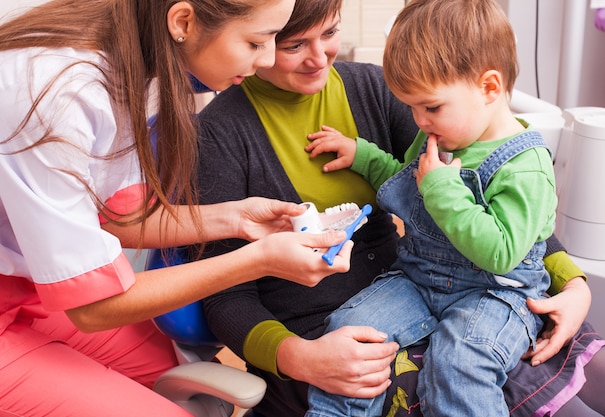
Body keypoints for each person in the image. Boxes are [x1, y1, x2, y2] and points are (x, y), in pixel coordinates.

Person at [193, 0, 605, 416]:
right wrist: (299, 358)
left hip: (460, 280)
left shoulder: (378, 89)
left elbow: (504, 197)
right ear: (262, 41)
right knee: (476, 377)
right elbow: (224, 294)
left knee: (598, 371)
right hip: (328, 332)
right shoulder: (218, 135)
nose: (319, 57)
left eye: (329, 32)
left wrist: (571, 284)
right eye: (293, 45)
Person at [0, 1, 358, 416]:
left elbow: (116, 219)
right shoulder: (54, 92)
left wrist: (238, 218)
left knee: (187, 381)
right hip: (51, 297)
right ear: (183, 21)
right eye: (256, 42)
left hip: (30, 286)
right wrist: (256, 261)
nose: (266, 60)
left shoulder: (147, 67)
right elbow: (93, 306)